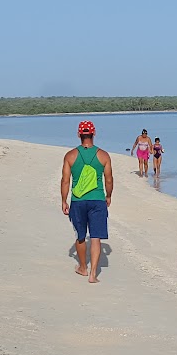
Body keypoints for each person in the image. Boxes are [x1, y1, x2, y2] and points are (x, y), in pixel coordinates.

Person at [62, 120, 113, 283]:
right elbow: (109, 179)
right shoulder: (104, 155)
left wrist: (64, 201)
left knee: (81, 236)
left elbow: (65, 180)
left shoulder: (70, 155)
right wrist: (109, 196)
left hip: (78, 201)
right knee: (96, 237)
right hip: (97, 200)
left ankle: (83, 267)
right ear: (94, 133)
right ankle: (93, 275)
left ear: (79, 134)